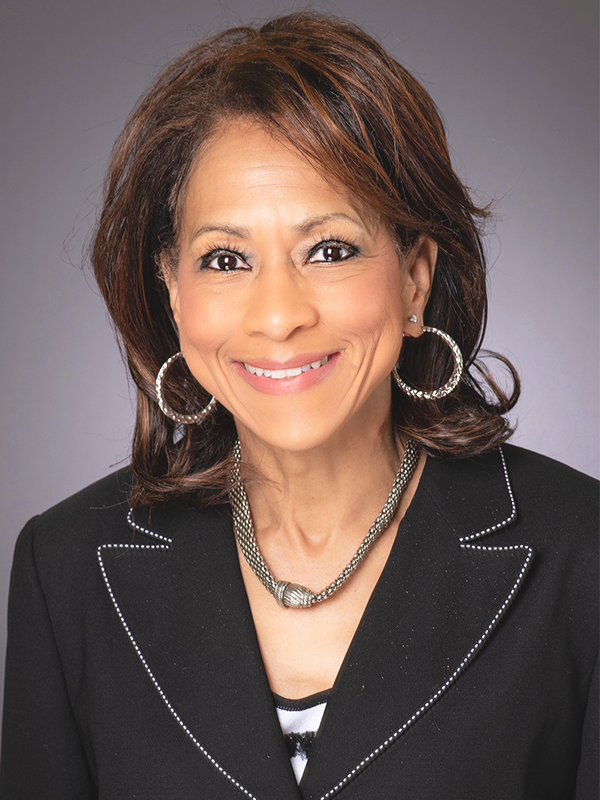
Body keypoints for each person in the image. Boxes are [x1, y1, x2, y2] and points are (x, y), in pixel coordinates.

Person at [0, 12, 597, 800]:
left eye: (330, 250)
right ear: (173, 290)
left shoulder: (582, 554)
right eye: (225, 259)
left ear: (414, 279)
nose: (278, 316)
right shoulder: (66, 569)